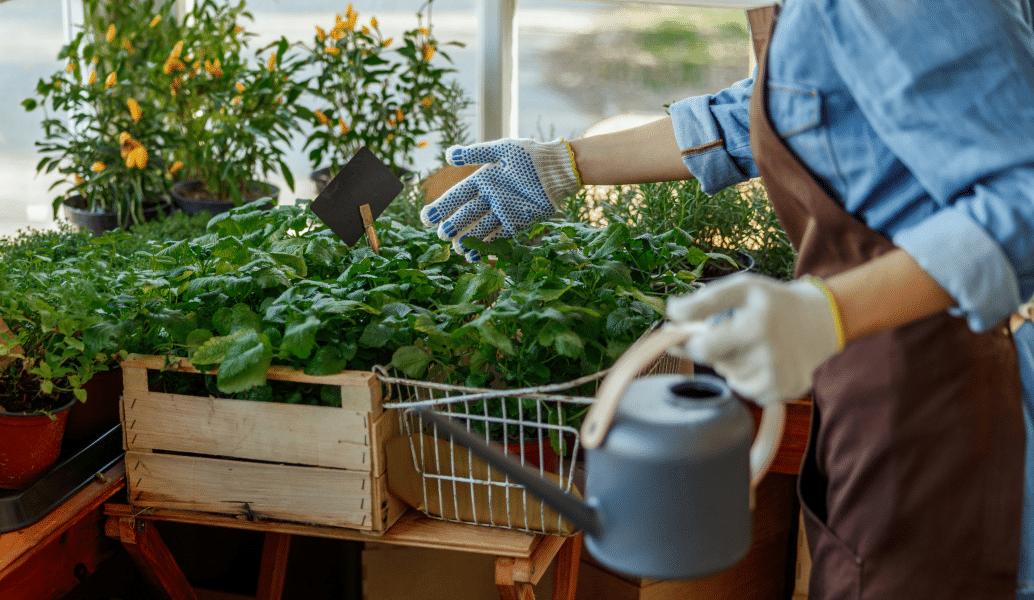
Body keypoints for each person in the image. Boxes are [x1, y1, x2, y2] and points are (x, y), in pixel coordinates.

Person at [421, 1, 1034, 598]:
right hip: (881, 379)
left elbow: (1024, 200)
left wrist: (830, 312)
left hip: (967, 394)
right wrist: (562, 165)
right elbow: (786, 106)